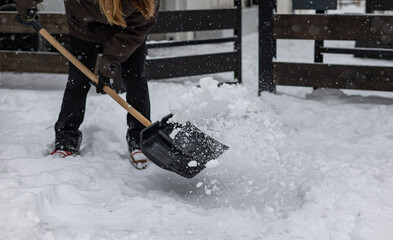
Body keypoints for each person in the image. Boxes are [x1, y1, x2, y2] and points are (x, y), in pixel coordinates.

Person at [14, 0, 160, 169]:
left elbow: (140, 26)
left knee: (135, 78)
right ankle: (66, 139)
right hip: (84, 27)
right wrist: (25, 5)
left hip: (128, 29)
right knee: (77, 81)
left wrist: (110, 63)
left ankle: (140, 138)